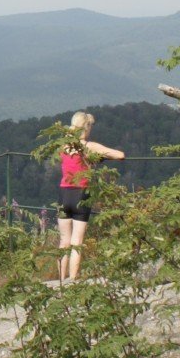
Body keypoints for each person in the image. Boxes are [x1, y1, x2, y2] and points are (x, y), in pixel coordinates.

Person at [55, 110, 124, 284]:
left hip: (63, 194)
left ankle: (61, 281)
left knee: (64, 241)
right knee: (76, 241)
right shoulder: (88, 146)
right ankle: (73, 281)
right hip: (81, 194)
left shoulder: (63, 146)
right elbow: (119, 155)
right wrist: (99, 158)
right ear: (86, 127)